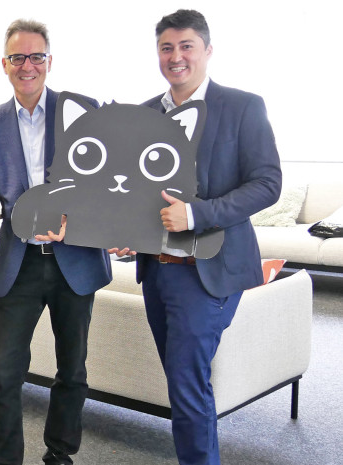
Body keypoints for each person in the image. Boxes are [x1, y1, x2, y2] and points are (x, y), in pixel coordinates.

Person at [124, 9, 282, 465]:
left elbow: (267, 183)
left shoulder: (243, 106)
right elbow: (139, 194)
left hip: (210, 271)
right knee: (183, 383)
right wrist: (127, 233)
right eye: (167, 48)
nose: (176, 57)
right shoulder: (144, 114)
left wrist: (196, 214)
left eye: (186, 46)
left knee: (187, 385)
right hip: (158, 271)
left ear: (207, 51)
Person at [0, 19, 112, 465]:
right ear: (4, 64)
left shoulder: (84, 112)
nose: (27, 66)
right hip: (20, 263)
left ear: (49, 61)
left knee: (72, 371)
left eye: (36, 57)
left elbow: (108, 184)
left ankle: (60, 455)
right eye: (18, 58)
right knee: (4, 373)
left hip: (76, 260)